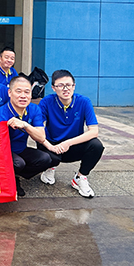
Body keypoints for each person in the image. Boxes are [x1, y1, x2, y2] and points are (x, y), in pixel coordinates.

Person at [37, 70, 103, 198]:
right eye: (60, 85)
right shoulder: (46, 102)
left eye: (68, 85)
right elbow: (38, 127)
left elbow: (94, 131)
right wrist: (49, 145)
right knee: (42, 143)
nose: (65, 89)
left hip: (72, 146)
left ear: (74, 86)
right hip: (53, 147)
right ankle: (50, 168)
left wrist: (68, 143)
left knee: (96, 145)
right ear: (53, 88)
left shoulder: (84, 102)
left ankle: (80, 177)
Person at [0, 75, 57, 197]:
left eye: (27, 92)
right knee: (18, 163)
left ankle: (15, 176)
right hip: (2, 152)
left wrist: (25, 125)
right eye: (18, 91)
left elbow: (41, 137)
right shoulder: (0, 115)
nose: (23, 96)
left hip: (21, 149)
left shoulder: (34, 109)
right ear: (9, 93)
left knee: (45, 159)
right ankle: (7, 179)